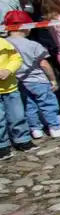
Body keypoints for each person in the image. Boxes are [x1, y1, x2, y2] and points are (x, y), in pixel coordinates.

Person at [3, 11, 60, 139]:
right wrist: (53, 80)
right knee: (48, 103)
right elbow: (44, 64)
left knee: (29, 105)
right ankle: (55, 127)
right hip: (38, 80)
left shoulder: (5, 44)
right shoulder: (33, 44)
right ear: (27, 27)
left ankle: (35, 129)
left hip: (19, 81)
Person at [0, 19, 29, 156]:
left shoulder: (4, 43)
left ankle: (22, 139)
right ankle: (2, 145)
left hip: (10, 87)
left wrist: (8, 70)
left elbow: (16, 59)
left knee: (17, 115)